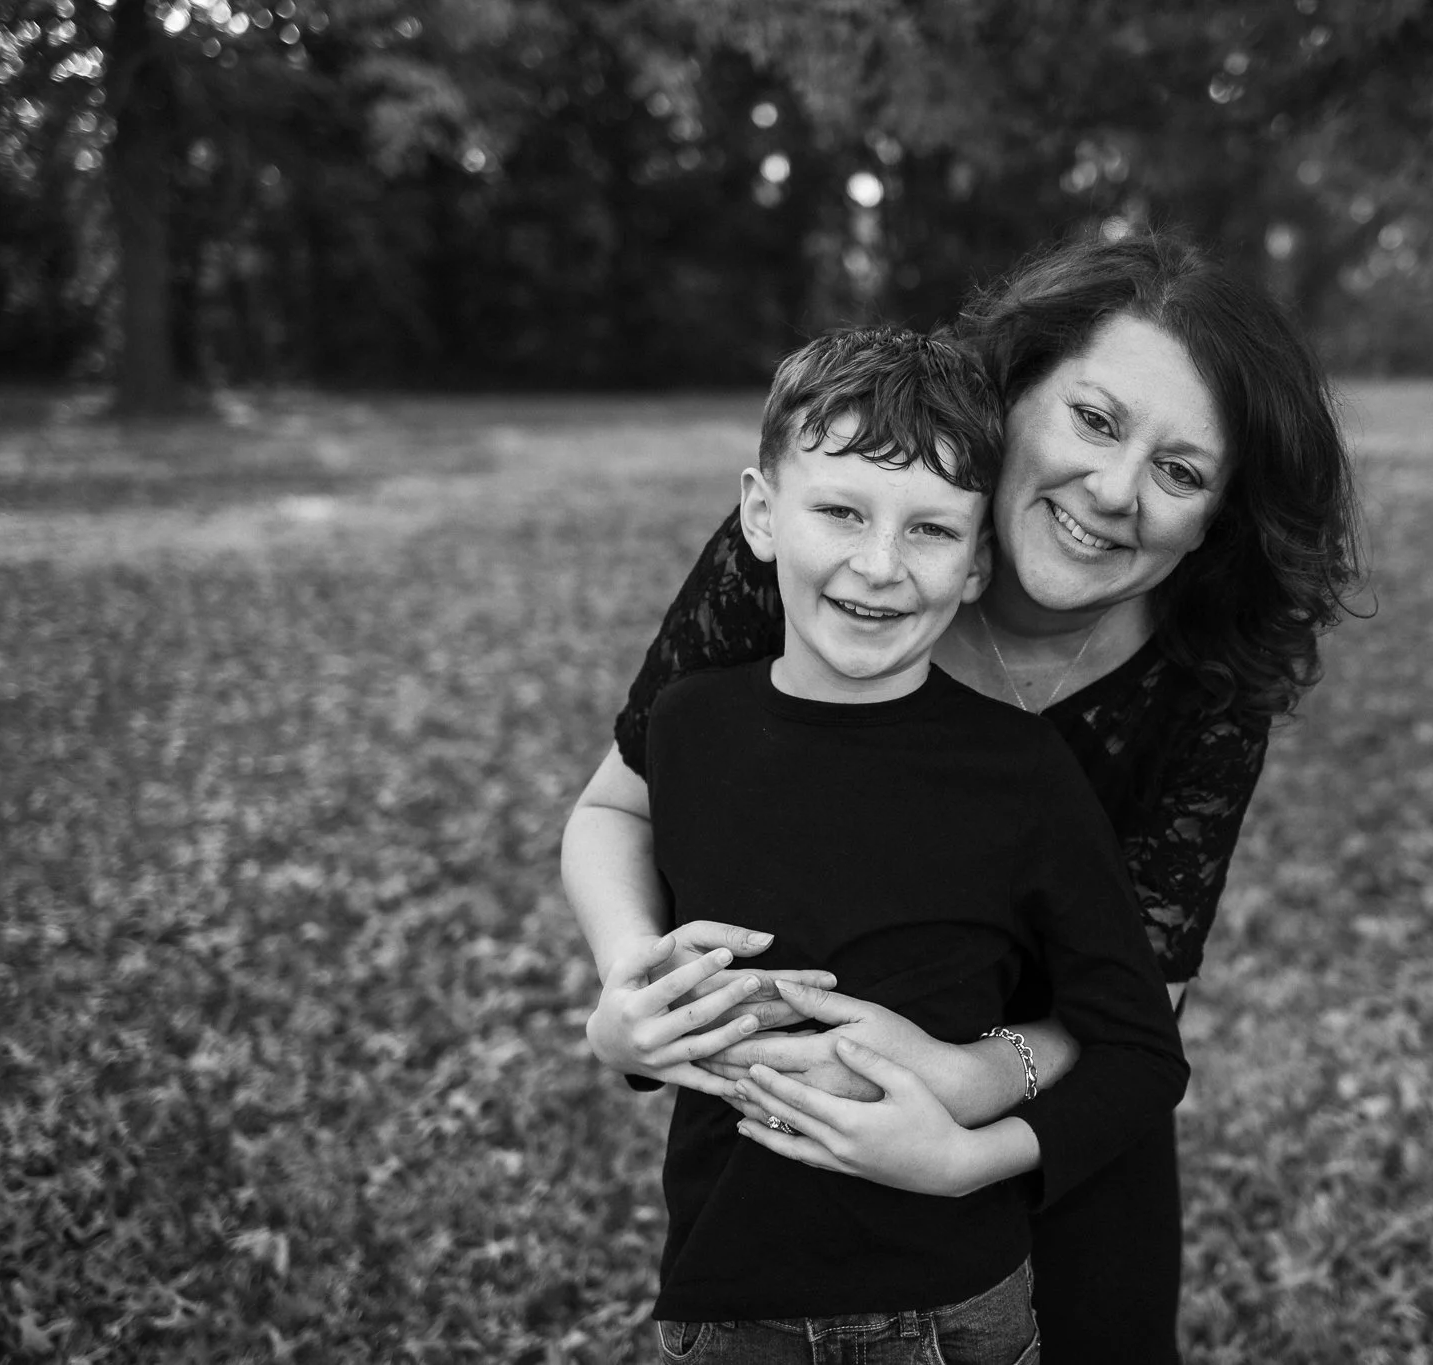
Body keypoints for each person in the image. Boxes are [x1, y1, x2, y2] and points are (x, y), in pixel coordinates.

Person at [564, 229, 1361, 1364]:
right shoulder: (821, 551)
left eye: (1180, 473)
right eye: (1094, 420)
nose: (1115, 492)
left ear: (1216, 517)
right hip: (791, 1171)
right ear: (1013, 392)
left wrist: (958, 1084)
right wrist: (633, 986)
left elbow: (1140, 1009)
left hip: (1055, 1115)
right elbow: (623, 803)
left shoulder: (1205, 674)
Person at [617, 324, 1188, 1362]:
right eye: (841, 511)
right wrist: (621, 1027)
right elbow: (648, 951)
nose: (878, 566)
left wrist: (970, 1145)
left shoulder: (1022, 774)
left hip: (954, 1307)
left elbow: (1140, 1048)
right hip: (726, 1297)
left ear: (976, 565)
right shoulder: (690, 729)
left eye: (929, 530)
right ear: (760, 513)